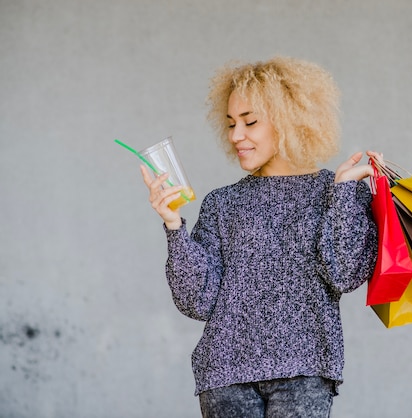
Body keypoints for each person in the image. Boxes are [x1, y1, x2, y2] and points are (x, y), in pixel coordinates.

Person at [141, 56, 379, 418]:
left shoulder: (337, 193)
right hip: (224, 375)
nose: (237, 136)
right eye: (232, 123)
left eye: (250, 122)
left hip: (305, 371)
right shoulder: (222, 203)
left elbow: (345, 274)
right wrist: (174, 226)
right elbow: (199, 302)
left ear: (290, 120)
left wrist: (344, 192)